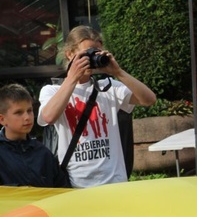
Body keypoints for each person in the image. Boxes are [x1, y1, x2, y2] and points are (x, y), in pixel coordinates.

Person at [38, 26, 156, 188]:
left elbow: (149, 100)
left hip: (114, 183)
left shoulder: (109, 87)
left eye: (96, 53)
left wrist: (118, 72)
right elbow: (48, 117)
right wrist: (72, 78)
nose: (91, 59)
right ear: (70, 54)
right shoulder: (52, 90)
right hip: (76, 185)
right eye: (86, 54)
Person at [0, 84, 69, 187]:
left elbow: (62, 190)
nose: (27, 117)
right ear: (2, 119)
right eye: (19, 112)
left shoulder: (43, 153)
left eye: (29, 110)